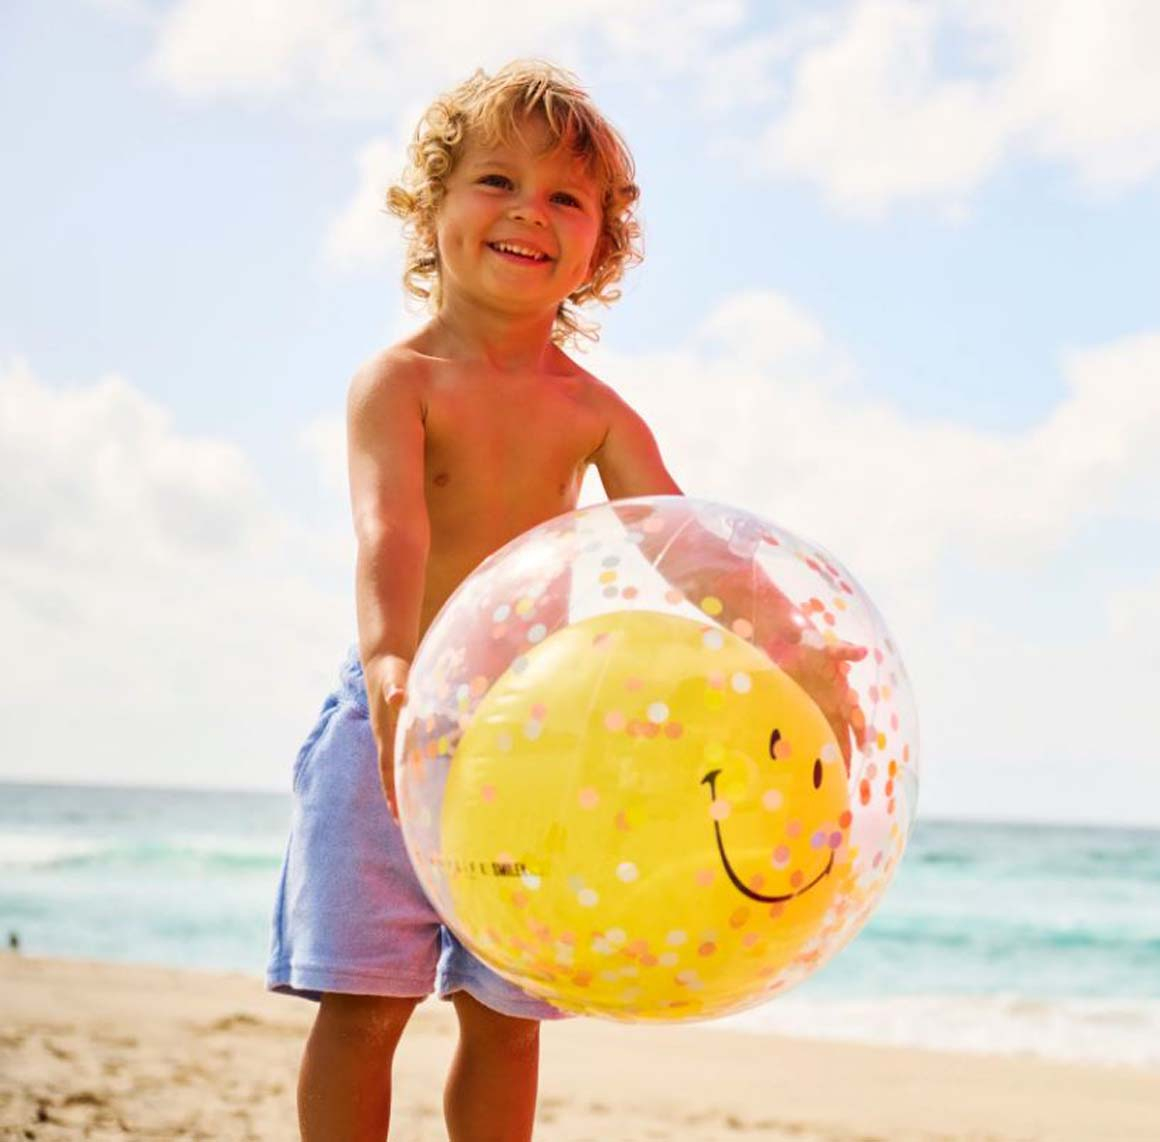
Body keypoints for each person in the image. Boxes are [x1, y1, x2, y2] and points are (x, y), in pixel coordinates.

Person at [268, 59, 864, 1142]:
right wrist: (393, 660)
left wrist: (801, 657)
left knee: (509, 1017)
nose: (528, 212)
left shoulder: (592, 410)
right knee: (365, 1006)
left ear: (600, 248)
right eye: (496, 181)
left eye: (565, 199)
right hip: (390, 720)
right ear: (433, 207)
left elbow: (691, 553)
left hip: (528, 744)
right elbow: (391, 531)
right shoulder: (399, 382)